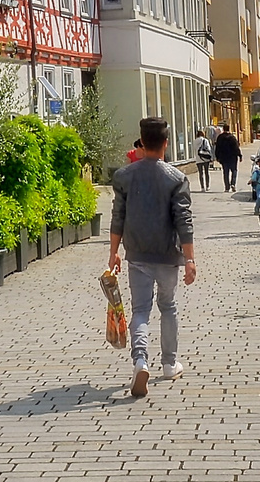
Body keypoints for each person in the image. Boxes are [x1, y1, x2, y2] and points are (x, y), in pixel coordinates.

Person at [107, 118, 197, 398]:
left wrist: (113, 253)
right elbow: (184, 220)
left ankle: (140, 361)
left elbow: (117, 217)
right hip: (168, 255)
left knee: (141, 310)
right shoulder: (176, 178)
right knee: (168, 306)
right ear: (166, 143)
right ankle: (169, 364)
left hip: (137, 254)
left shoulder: (124, 176)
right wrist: (190, 259)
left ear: (141, 143)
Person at [214, 126, 242, 192]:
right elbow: (236, 147)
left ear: (223, 129)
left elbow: (217, 148)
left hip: (224, 157)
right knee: (234, 170)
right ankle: (233, 184)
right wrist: (240, 155)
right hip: (233, 157)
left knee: (226, 172)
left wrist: (217, 157)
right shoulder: (232, 137)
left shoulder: (220, 137)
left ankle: (227, 187)